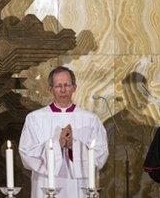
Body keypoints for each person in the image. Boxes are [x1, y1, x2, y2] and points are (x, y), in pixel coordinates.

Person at [19, 66, 109, 198]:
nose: (63, 90)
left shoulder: (90, 119)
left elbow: (101, 153)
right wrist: (57, 144)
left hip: (79, 185)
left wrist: (74, 145)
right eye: (58, 86)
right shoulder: (35, 118)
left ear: (74, 87)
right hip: (46, 184)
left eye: (67, 85)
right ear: (50, 89)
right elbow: (26, 153)